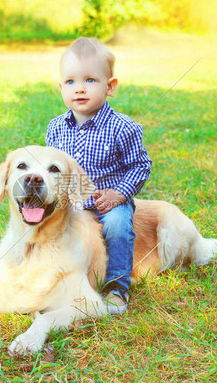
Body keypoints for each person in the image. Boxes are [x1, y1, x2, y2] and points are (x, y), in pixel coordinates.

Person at [46, 37, 152, 314]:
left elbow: (140, 166)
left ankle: (117, 287)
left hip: (109, 203)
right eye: (70, 82)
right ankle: (37, 275)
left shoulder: (123, 127)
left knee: (118, 228)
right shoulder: (56, 127)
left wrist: (119, 194)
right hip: (70, 203)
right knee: (42, 228)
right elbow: (52, 169)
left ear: (110, 86)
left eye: (90, 80)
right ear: (61, 87)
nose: (79, 88)